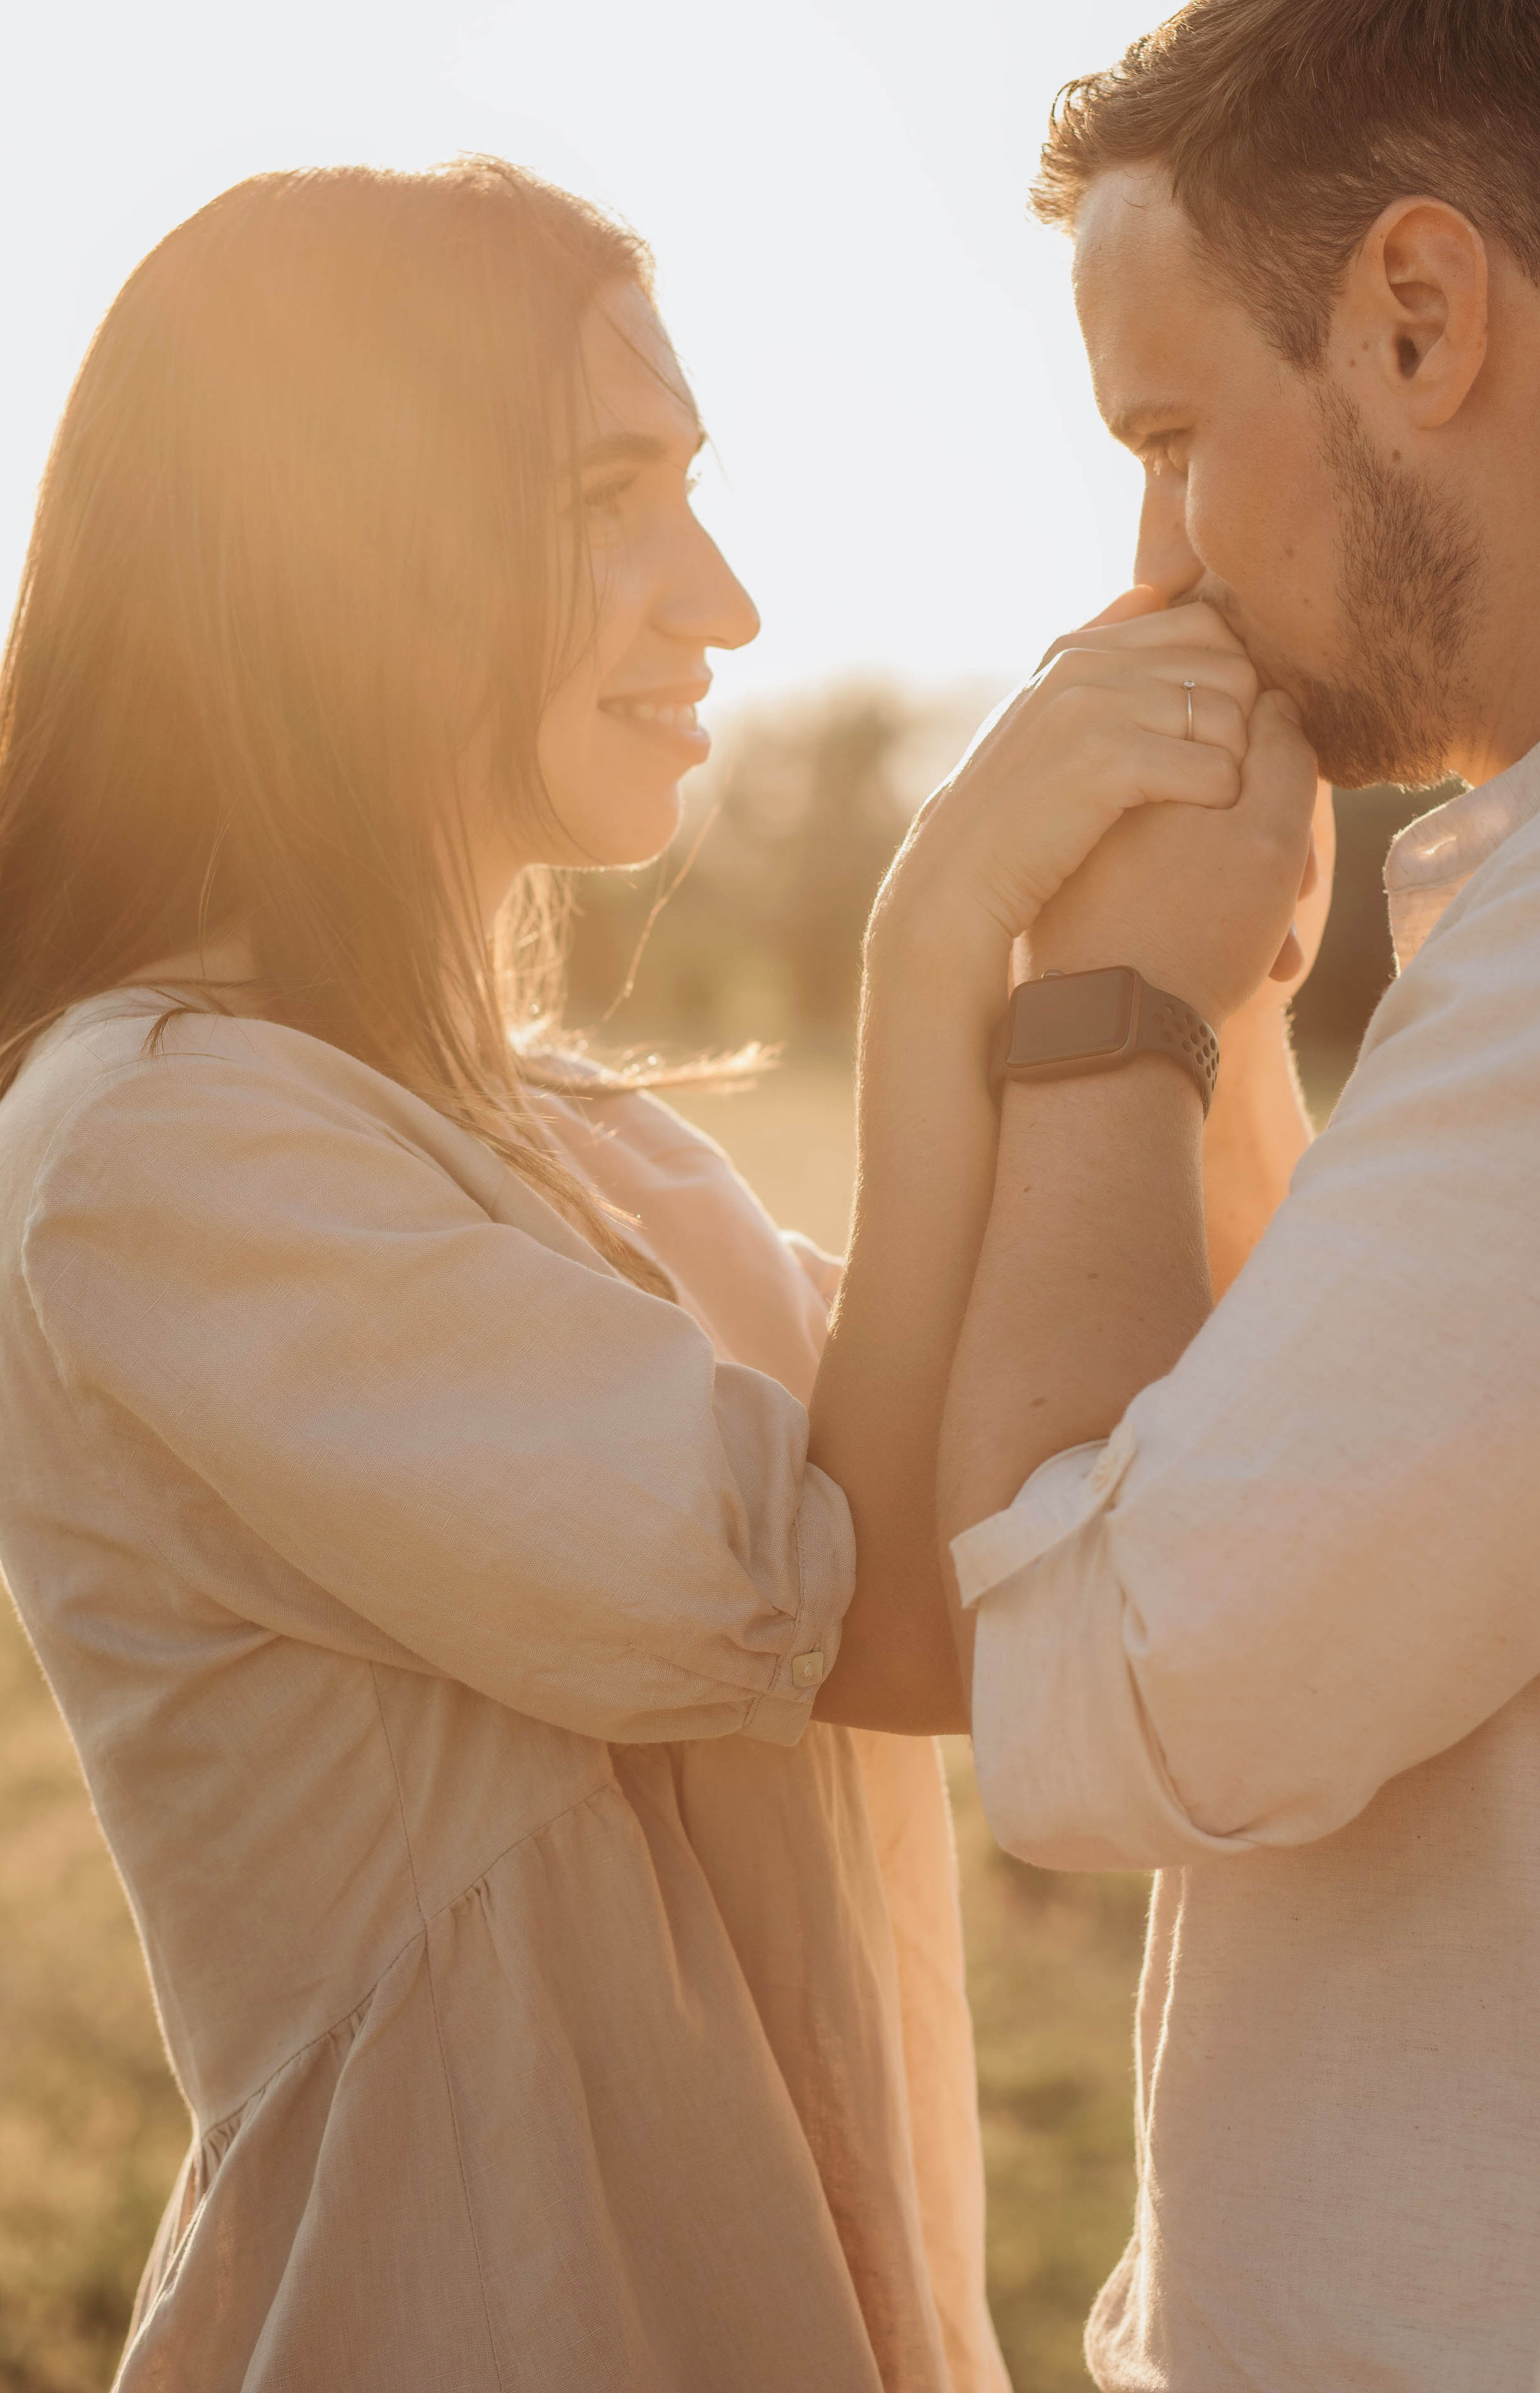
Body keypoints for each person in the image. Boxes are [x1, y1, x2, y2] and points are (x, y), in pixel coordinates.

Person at [0, 159, 1287, 2390]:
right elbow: (878, 1614)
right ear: (343, 541)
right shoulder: (151, 1153)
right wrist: (936, 934)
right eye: (619, 496)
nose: (726, 599)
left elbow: (1075, 1501)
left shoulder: (593, 1150)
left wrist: (1219, 955)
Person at [924, 0, 1540, 2392]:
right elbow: (1249, 1456)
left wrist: (1106, 994)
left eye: (1169, 440)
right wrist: (1244, 997)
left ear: (1417, 314)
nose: (1154, 570)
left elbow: (1098, 1705)